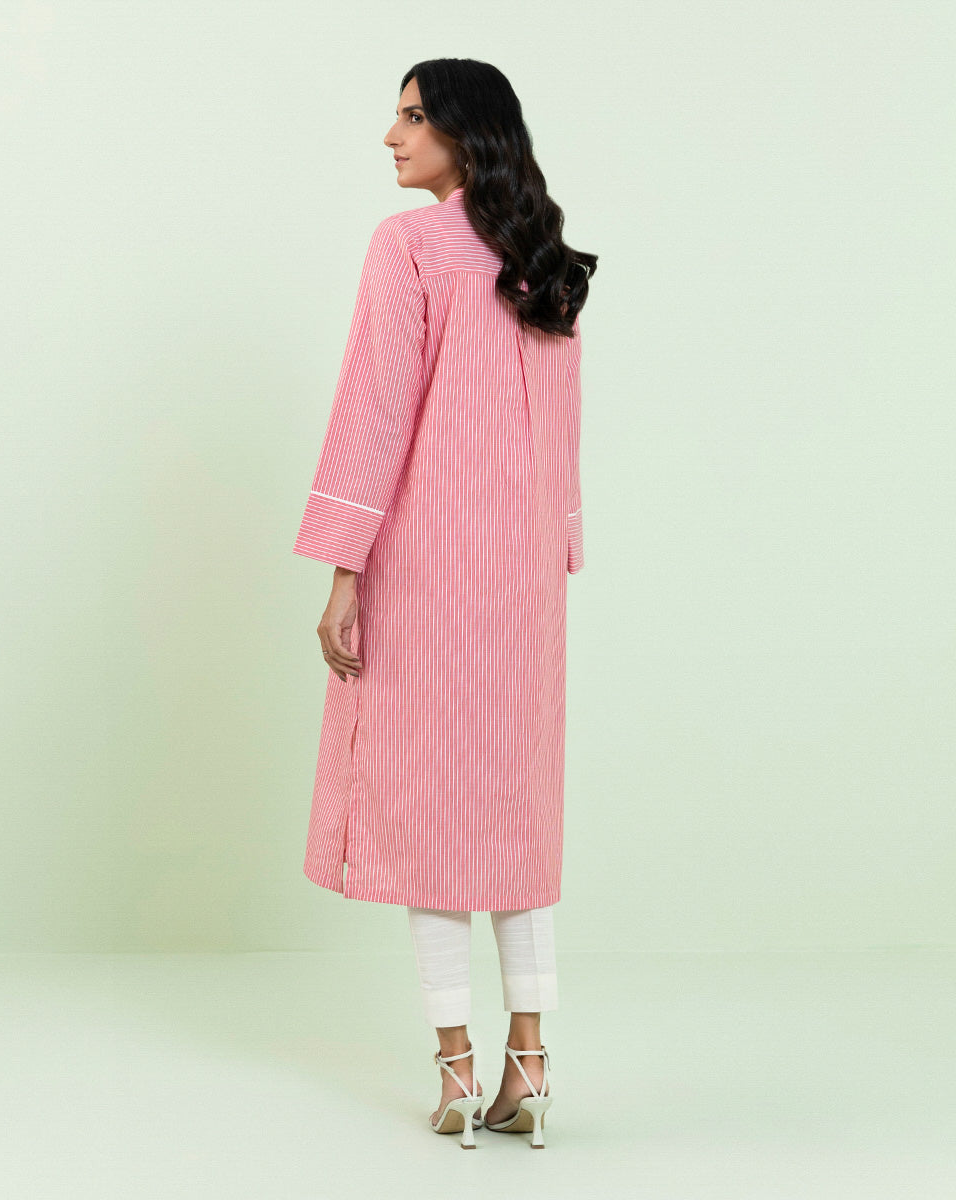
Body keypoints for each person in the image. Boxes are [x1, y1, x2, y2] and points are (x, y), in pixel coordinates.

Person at [292, 58, 597, 1148]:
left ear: (466, 132)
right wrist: (559, 544)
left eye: (413, 116)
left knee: (428, 809)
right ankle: (533, 1066)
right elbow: (562, 430)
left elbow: (375, 411)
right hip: (524, 577)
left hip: (424, 565)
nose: (392, 136)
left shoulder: (410, 246)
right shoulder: (543, 254)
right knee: (514, 809)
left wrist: (343, 567)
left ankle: (459, 1072)